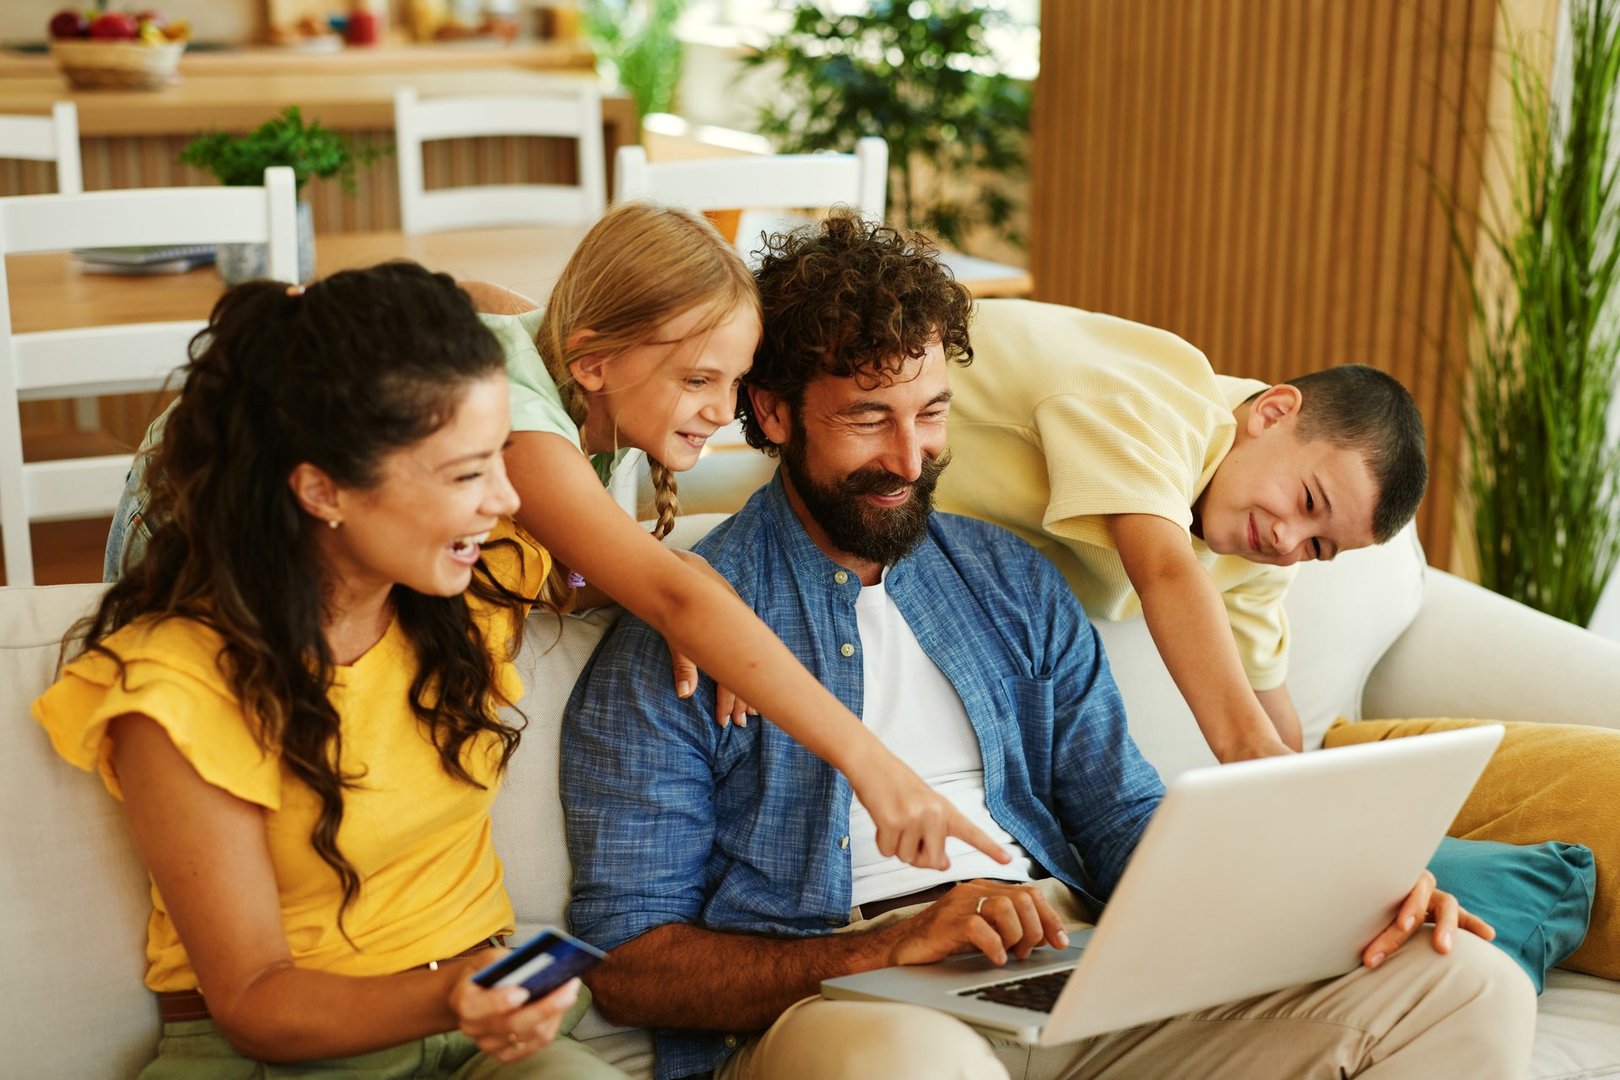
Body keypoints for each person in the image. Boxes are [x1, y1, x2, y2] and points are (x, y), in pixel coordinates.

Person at [558, 217, 1535, 1080]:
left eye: (931, 415)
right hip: (842, 1010)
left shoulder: (1015, 584)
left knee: (1466, 986)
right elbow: (632, 964)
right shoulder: (684, 631)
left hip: (1063, 972)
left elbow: (1118, 819)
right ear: (773, 414)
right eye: (868, 418)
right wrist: (887, 947)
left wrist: (1333, 888)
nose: (910, 458)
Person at [102, 203, 1006, 873]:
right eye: (698, 377)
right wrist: (872, 766)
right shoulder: (528, 426)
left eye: (733, 382)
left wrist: (690, 615)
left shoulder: (582, 399)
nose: (725, 413)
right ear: (592, 363)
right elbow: (670, 588)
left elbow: (608, 572)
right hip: (194, 541)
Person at [34, 264, 625, 1078]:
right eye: (465, 472)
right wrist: (452, 994)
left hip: (480, 1041)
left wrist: (680, 618)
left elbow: (637, 561)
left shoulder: (467, 588)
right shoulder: (177, 688)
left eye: (502, 459)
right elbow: (253, 1000)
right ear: (323, 488)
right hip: (279, 1056)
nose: (507, 500)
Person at [933, 295, 1427, 761]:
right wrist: (1245, 749)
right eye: (1308, 500)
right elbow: (1166, 573)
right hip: (873, 450)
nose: (1289, 540)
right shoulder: (1150, 404)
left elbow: (1268, 704)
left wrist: (1298, 792)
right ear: (1273, 413)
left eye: (1319, 547)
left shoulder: (1260, 547)